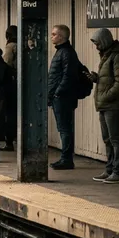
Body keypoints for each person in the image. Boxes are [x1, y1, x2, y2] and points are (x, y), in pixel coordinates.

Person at [88, 28, 119, 184]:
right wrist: (96, 79)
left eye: (97, 43)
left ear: (104, 41)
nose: (96, 46)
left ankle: (118, 172)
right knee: (107, 139)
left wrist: (105, 96)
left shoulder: (118, 57)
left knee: (115, 139)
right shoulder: (106, 56)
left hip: (113, 105)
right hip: (105, 104)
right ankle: (110, 169)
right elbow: (109, 79)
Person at [48, 24, 79, 170]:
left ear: (61, 37)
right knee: (63, 128)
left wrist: (57, 92)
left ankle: (66, 159)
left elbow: (68, 75)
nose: (51, 36)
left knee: (64, 128)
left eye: (54, 34)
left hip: (63, 97)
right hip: (60, 95)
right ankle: (65, 158)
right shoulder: (62, 52)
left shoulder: (66, 53)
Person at [1, 26, 18, 152]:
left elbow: (6, 64)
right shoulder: (23, 44)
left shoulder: (10, 46)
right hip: (22, 82)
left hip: (11, 83)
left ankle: (9, 141)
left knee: (9, 112)